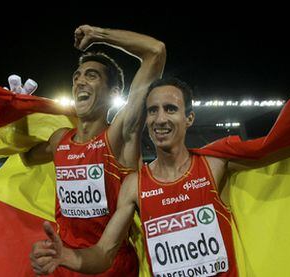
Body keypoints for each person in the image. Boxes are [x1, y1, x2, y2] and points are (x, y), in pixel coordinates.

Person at [29, 77, 239, 276]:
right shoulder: (134, 185)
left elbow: (270, 150)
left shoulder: (214, 165)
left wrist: (98, 36)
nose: (160, 119)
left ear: (189, 118)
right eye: (152, 111)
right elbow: (104, 252)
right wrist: (66, 256)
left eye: (171, 109)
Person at [22, 25, 166, 276]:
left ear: (114, 92)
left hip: (111, 266)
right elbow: (25, 156)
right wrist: (17, 111)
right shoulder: (59, 140)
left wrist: (98, 35)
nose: (79, 81)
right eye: (76, 76)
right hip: (62, 262)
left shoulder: (120, 135)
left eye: (91, 75)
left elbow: (155, 51)